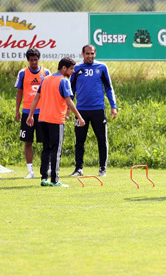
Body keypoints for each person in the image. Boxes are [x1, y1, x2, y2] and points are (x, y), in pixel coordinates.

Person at [26, 57, 86, 187]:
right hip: (56, 119)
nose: (72, 71)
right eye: (71, 69)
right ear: (64, 68)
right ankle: (55, 180)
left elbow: (36, 98)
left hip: (42, 118)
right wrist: (80, 118)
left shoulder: (45, 79)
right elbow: (69, 101)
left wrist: (31, 115)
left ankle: (44, 178)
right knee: (56, 150)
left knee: (46, 149)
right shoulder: (63, 81)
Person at [69, 44, 118, 177]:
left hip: (98, 110)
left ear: (95, 54)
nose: (90, 56)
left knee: (102, 140)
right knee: (79, 141)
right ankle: (78, 169)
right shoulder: (76, 68)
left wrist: (113, 106)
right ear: (82, 54)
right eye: (87, 54)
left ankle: (102, 169)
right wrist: (68, 108)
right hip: (80, 112)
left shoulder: (101, 68)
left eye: (92, 54)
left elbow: (109, 87)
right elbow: (71, 89)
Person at [14, 48, 51, 179]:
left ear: (38, 59)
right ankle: (30, 171)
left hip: (42, 112)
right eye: (31, 60)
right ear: (28, 60)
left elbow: (50, 91)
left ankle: (48, 168)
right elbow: (19, 92)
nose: (34, 62)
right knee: (27, 141)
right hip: (27, 112)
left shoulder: (46, 72)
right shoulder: (23, 73)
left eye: (36, 60)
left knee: (46, 141)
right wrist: (17, 110)